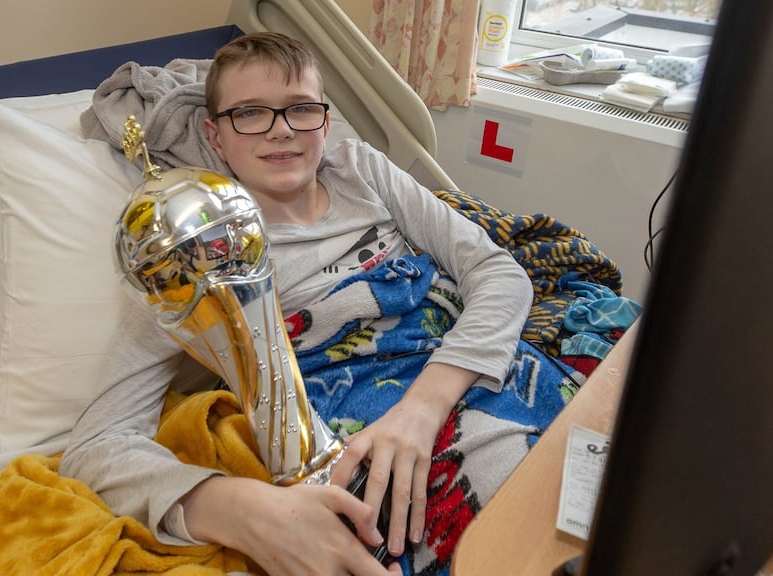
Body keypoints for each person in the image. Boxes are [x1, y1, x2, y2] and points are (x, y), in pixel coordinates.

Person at [60, 31, 532, 576]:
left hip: (454, 373)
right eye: (250, 113)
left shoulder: (359, 169)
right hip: (346, 422)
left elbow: (497, 270)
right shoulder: (198, 256)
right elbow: (98, 443)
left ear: (325, 124)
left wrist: (422, 409)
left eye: (300, 110)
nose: (281, 129)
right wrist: (240, 510)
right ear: (215, 136)